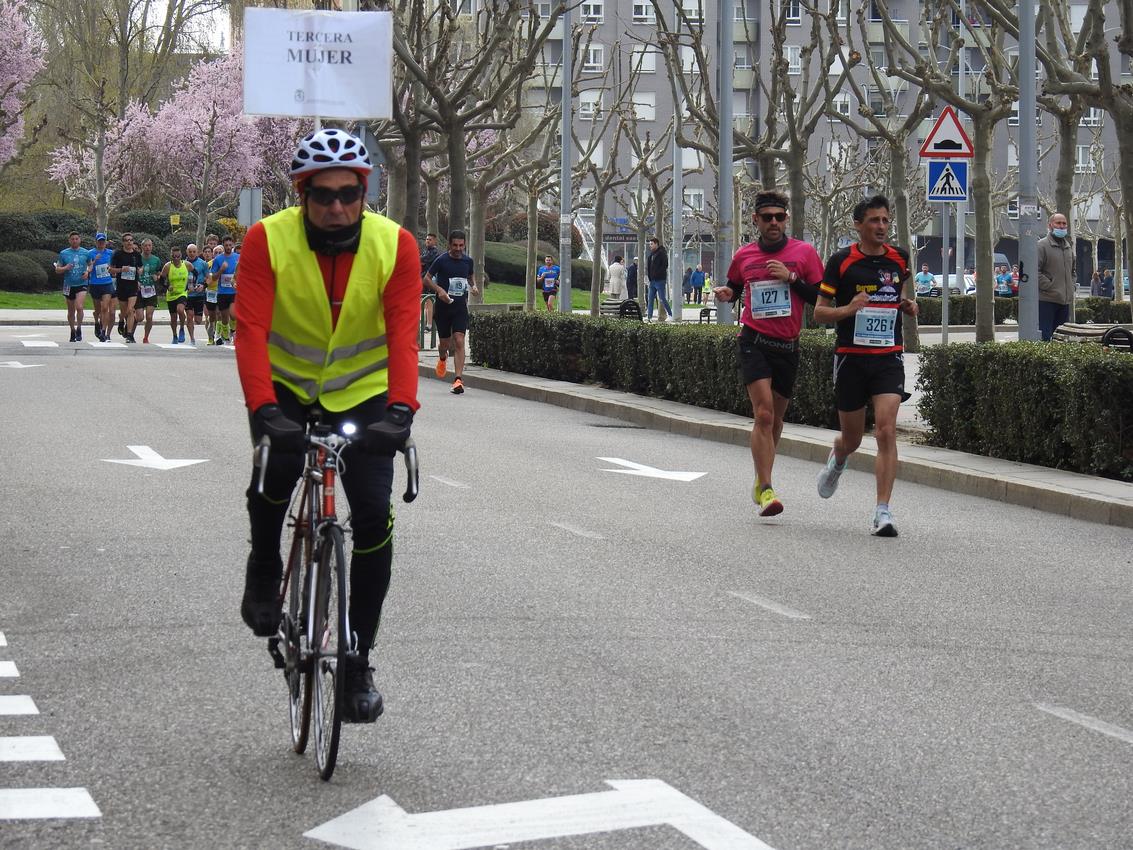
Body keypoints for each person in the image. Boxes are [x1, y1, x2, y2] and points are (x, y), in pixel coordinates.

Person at [234, 127, 420, 723]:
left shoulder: (397, 246)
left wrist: (402, 410)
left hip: (362, 395)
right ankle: (265, 564)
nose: (336, 207)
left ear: (364, 192)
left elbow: (402, 334)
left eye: (348, 194)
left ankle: (358, 657)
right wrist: (264, 410)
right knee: (277, 467)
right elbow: (252, 331)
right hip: (285, 388)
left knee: (372, 513)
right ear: (301, 193)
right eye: (322, 195)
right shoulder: (267, 240)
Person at [712, 190, 823, 517]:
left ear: (786, 219)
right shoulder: (744, 255)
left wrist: (790, 278)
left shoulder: (804, 254)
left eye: (779, 217)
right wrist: (725, 292)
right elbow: (733, 287)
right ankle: (766, 487)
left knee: (775, 420)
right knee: (763, 414)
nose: (774, 222)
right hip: (754, 341)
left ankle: (761, 482)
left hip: (787, 346)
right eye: (767, 217)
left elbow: (819, 297)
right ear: (756, 220)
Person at [813, 194, 917, 537]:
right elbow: (819, 312)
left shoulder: (900, 259)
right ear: (858, 225)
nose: (882, 227)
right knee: (853, 438)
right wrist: (849, 309)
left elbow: (894, 295)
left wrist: (906, 305)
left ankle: (882, 511)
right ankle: (839, 458)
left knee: (886, 430)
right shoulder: (841, 261)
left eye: (886, 220)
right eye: (874, 221)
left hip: (888, 357)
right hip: (851, 359)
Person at [425, 231, 479, 394]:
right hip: (443, 307)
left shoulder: (468, 261)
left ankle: (458, 380)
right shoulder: (441, 260)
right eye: (455, 245)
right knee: (445, 344)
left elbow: (470, 275)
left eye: (461, 245)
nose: (458, 248)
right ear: (449, 245)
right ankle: (442, 358)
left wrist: (474, 285)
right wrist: (439, 290)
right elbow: (426, 278)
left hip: (459, 307)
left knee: (460, 340)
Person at [1036, 212, 1075, 341]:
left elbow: (1073, 271)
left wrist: (1072, 285)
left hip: (1064, 301)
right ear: (1050, 225)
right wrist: (1050, 286)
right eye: (1058, 223)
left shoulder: (1068, 247)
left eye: (1064, 223)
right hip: (1047, 301)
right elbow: (1035, 271)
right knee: (1046, 338)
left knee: (1060, 340)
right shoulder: (1042, 245)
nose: (1061, 226)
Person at [54, 231, 90, 342]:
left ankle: (79, 328)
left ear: (80, 240)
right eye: (72, 239)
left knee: (79, 307)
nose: (74, 241)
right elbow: (57, 269)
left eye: (76, 238)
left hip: (81, 284)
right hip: (68, 284)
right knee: (71, 311)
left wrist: (88, 272)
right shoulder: (64, 253)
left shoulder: (85, 252)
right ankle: (72, 330)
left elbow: (90, 264)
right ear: (69, 240)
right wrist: (65, 268)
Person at [109, 233, 142, 343]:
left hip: (133, 286)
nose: (129, 242)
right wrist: (121, 270)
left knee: (130, 310)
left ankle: (129, 334)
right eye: (127, 240)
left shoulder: (137, 255)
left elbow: (140, 267)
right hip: (122, 286)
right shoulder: (118, 254)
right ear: (123, 242)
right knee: (124, 311)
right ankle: (121, 319)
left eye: (131, 240)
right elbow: (110, 270)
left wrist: (140, 271)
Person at [209, 236, 239, 344]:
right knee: (224, 317)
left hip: (234, 291)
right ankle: (226, 335)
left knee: (233, 314)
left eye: (230, 245)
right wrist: (221, 269)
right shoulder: (218, 259)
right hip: (222, 292)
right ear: (223, 245)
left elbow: (243, 272)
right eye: (226, 245)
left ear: (233, 245)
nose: (228, 247)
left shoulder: (238, 257)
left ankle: (234, 332)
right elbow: (214, 278)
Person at [158, 245, 190, 343]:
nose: (176, 259)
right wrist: (167, 287)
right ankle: (175, 335)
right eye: (174, 257)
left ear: (181, 255)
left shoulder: (187, 264)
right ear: (171, 256)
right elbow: (161, 279)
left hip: (182, 293)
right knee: (173, 317)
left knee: (180, 310)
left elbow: (195, 273)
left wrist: (190, 286)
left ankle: (181, 329)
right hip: (171, 295)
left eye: (178, 256)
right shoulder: (168, 266)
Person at [87, 233, 115, 342]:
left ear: (106, 242)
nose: (101, 243)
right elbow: (88, 268)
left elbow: (114, 267)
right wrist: (94, 261)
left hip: (107, 283)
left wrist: (111, 268)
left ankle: (103, 331)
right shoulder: (90, 253)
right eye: (99, 241)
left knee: (105, 308)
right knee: (98, 310)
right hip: (95, 283)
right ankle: (96, 322)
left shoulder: (110, 253)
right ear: (96, 242)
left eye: (103, 241)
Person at [136, 238, 162, 343]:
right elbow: (132, 272)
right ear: (142, 247)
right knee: (140, 317)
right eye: (145, 246)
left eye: (149, 245)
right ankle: (130, 318)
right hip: (139, 290)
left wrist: (157, 276)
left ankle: (146, 337)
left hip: (151, 290)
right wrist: (136, 279)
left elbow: (159, 273)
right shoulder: (137, 258)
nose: (147, 248)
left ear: (152, 247)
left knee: (149, 316)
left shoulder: (156, 260)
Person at [185, 243, 208, 341]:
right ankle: (192, 338)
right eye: (190, 252)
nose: (192, 253)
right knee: (189, 316)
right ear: (187, 252)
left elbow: (208, 278)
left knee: (198, 320)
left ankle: (196, 320)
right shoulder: (183, 263)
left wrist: (203, 285)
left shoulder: (203, 263)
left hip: (199, 294)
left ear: (197, 252)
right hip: (188, 294)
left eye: (194, 252)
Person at [645, 237, 671, 321]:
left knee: (662, 298)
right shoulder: (651, 255)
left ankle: (670, 314)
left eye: (652, 244)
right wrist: (650, 277)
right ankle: (649, 317)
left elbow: (665, 265)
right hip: (652, 281)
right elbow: (649, 267)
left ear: (656, 244)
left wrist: (657, 274)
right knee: (650, 298)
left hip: (660, 280)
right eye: (649, 244)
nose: (650, 246)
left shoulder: (662, 253)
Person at [419, 232, 440, 333]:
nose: (427, 241)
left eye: (430, 239)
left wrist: (421, 260)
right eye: (427, 239)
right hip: (423, 278)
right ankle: (424, 323)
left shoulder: (434, 252)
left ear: (435, 241)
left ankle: (429, 324)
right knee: (424, 301)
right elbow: (421, 261)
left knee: (429, 301)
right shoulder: (425, 251)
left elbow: (425, 260)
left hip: (431, 279)